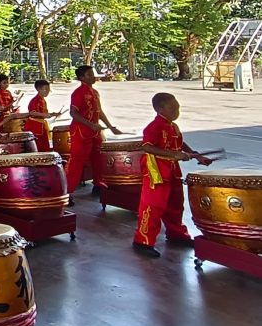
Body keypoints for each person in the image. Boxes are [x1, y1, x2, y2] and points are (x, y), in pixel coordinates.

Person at [133, 93, 212, 257]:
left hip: (173, 170)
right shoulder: (153, 127)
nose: (177, 111)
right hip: (157, 171)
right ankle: (143, 241)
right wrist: (173, 154)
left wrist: (196, 155)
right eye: (173, 108)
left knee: (176, 204)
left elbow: (180, 143)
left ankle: (177, 234)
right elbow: (147, 147)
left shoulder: (173, 126)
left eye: (178, 107)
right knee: (153, 206)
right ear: (160, 109)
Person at [66, 65, 122, 199]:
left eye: (93, 73)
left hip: (94, 131)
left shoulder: (95, 92)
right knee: (77, 161)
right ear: (82, 78)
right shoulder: (78, 93)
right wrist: (91, 124)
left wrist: (110, 126)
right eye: (90, 74)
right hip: (81, 131)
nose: (93, 76)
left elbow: (99, 112)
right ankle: (67, 191)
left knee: (98, 158)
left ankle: (98, 183)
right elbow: (73, 113)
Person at [24, 79, 59, 151]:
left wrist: (53, 114)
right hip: (34, 126)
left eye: (48, 90)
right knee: (38, 147)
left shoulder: (42, 100)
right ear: (39, 89)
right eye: (45, 90)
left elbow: (45, 114)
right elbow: (32, 113)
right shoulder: (35, 100)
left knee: (44, 146)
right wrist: (45, 115)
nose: (48, 92)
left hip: (41, 125)